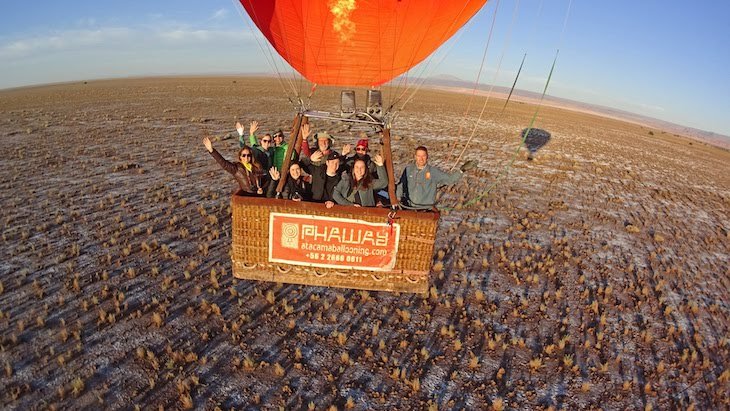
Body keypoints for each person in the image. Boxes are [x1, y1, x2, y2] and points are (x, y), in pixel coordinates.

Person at [396, 146, 475, 210]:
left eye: (423, 156)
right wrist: (397, 198)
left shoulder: (433, 172)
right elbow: (400, 185)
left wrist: (462, 170)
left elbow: (450, 179)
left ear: (427, 157)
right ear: (415, 157)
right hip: (408, 207)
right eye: (419, 156)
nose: (421, 159)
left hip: (425, 210)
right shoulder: (408, 170)